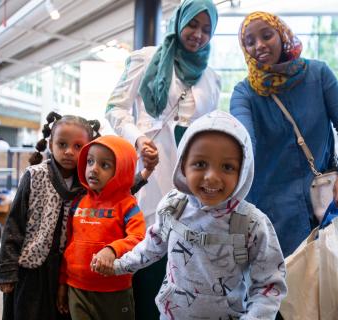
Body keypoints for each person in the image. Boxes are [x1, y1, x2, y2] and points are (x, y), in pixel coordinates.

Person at [95, 110, 287, 319]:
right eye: (200, 164)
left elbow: (269, 285)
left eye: (227, 167)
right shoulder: (173, 206)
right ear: (183, 166)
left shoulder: (252, 224)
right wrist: (119, 266)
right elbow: (152, 246)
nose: (212, 177)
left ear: (243, 170)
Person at [105, 0, 220, 317]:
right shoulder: (145, 58)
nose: (198, 34)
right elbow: (114, 108)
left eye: (206, 29)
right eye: (192, 25)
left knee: (185, 256)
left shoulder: (212, 77)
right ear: (179, 21)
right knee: (147, 250)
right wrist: (138, 138)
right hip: (150, 168)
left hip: (192, 178)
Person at [230, 12, 338, 258]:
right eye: (250, 41)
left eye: (267, 35)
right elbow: (243, 141)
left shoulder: (318, 74)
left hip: (324, 202)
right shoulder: (244, 93)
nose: (259, 45)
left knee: (329, 284)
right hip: (272, 209)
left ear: (282, 34)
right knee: (281, 290)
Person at [0, 112, 100, 320]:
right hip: (32, 270)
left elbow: (120, 191)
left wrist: (142, 177)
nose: (69, 152)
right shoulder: (34, 176)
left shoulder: (90, 183)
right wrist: (7, 271)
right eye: (62, 144)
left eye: (78, 146)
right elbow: (14, 224)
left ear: (89, 148)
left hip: (67, 273)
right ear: (51, 144)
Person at [56, 135, 146, 320]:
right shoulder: (78, 203)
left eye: (104, 165)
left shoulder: (127, 205)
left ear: (122, 170)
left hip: (114, 291)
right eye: (90, 161)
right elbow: (69, 245)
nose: (93, 169)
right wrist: (63, 283)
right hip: (77, 289)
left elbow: (139, 239)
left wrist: (112, 250)